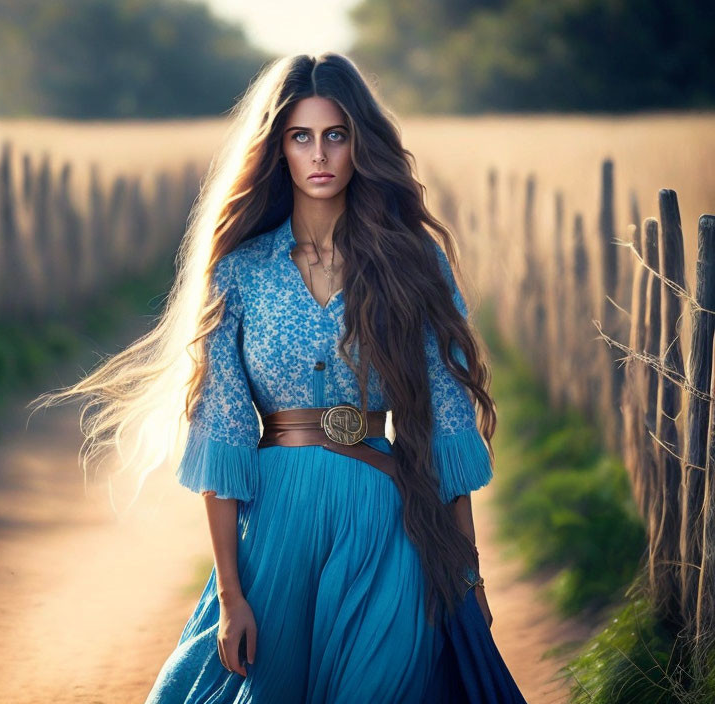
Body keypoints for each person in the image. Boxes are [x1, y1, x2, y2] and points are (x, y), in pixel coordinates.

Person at [32, 52, 527, 703]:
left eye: (336, 135)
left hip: (390, 525)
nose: (319, 154)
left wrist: (470, 576)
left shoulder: (415, 264)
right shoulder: (239, 273)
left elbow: (449, 427)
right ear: (279, 149)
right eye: (301, 136)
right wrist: (232, 597)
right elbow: (224, 440)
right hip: (275, 535)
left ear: (359, 145)